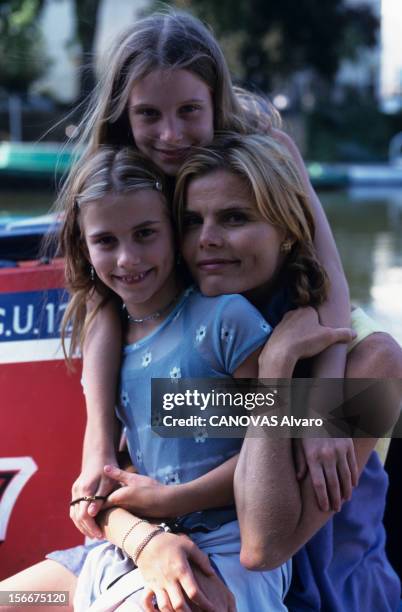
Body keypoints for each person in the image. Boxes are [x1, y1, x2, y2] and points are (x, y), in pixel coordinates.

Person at [61, 8, 358, 547]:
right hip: (206, 363)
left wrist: (323, 412)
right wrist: (98, 440)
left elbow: (330, 277)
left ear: (216, 102)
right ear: (125, 113)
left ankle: (318, 557)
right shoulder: (125, 174)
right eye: (149, 113)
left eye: (190, 111)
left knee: (379, 369)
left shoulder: (269, 152)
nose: (171, 134)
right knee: (182, 419)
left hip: (301, 337)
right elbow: (102, 302)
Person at [172, 132, 402, 611]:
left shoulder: (374, 361)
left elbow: (262, 543)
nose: (207, 239)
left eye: (234, 218)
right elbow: (137, 464)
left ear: (289, 230)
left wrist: (277, 370)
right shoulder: (190, 335)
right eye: (193, 222)